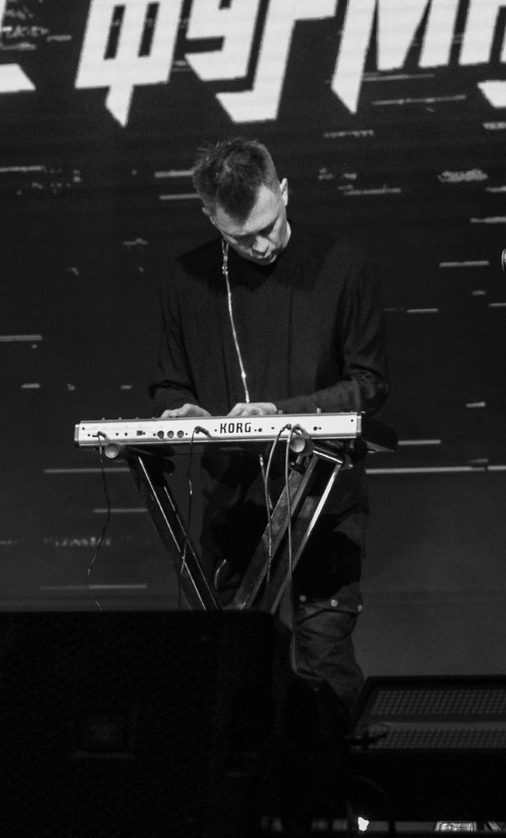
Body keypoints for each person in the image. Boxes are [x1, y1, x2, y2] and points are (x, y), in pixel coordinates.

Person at [148, 137, 386, 726]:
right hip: (233, 505)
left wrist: (282, 413)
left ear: (283, 192)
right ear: (210, 217)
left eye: (268, 226)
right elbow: (170, 383)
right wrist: (181, 411)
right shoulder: (185, 279)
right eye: (240, 238)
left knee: (323, 664)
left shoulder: (344, 265)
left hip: (323, 503)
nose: (260, 246)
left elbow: (368, 383)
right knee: (230, 675)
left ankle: (341, 780)